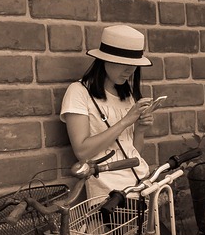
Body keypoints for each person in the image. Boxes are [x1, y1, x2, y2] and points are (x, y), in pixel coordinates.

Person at [60, 25, 158, 200]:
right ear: (105, 60)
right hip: (109, 193)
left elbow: (132, 152)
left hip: (141, 185)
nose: (130, 70)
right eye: (124, 64)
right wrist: (125, 122)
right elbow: (82, 151)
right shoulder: (78, 92)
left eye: (134, 65)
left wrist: (141, 129)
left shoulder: (126, 95)